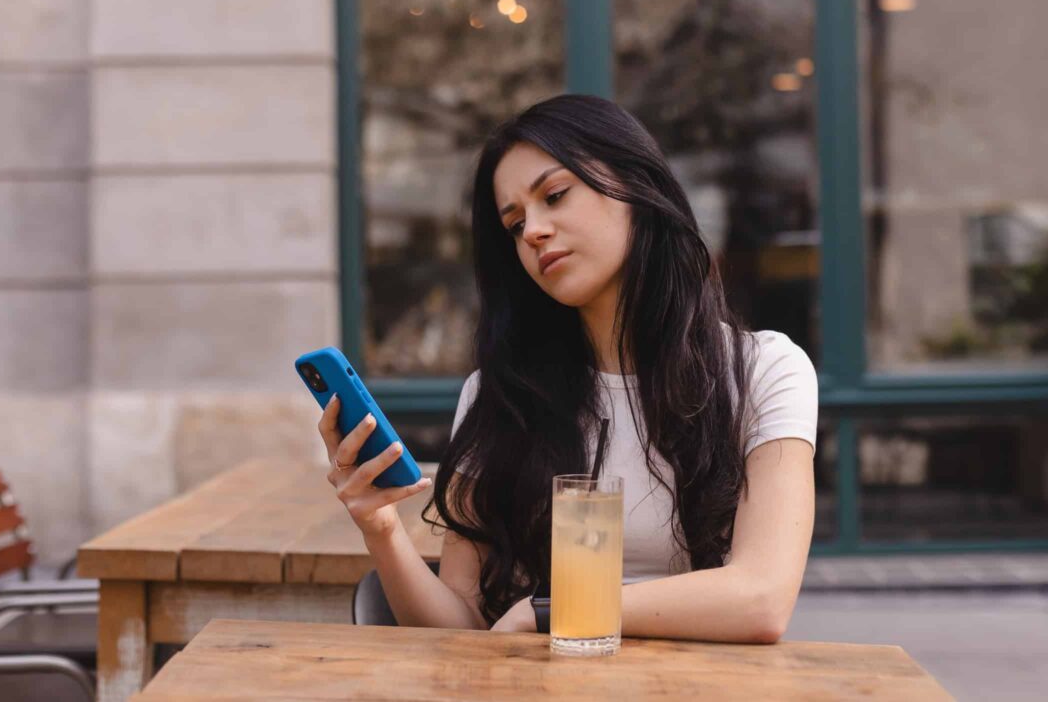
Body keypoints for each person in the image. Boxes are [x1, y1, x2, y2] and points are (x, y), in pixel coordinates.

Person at [317, 94, 817, 643]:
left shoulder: (765, 371)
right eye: (513, 225)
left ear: (634, 186)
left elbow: (762, 599)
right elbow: (460, 629)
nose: (532, 231)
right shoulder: (497, 396)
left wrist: (552, 609)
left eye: (555, 195)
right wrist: (381, 529)